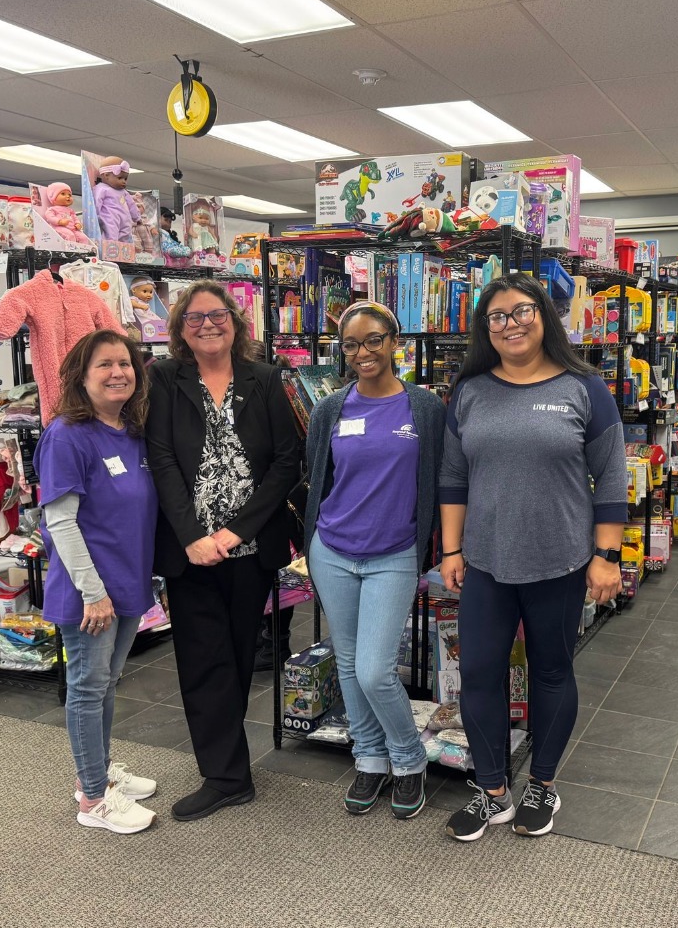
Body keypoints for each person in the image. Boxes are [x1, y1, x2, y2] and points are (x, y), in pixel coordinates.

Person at [439, 273, 627, 842]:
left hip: (561, 560)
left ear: (544, 315)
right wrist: (450, 548)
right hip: (486, 562)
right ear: (484, 329)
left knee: (550, 671)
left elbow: (613, 474)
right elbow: (452, 476)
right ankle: (492, 790)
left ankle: (542, 783)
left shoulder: (584, 386)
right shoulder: (469, 391)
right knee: (476, 674)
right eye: (496, 316)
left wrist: (607, 555)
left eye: (521, 311)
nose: (510, 324)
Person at [147, 280, 301, 821]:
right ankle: (225, 775)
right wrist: (193, 536)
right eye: (195, 318)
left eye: (218, 316)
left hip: (249, 546)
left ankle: (226, 763)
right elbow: (161, 458)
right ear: (180, 330)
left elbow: (287, 461)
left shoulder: (266, 380)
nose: (208, 325)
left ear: (236, 324)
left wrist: (234, 532)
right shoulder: (163, 379)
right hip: (189, 551)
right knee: (199, 658)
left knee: (237, 657)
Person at [304, 302, 445, 819]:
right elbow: (317, 475)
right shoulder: (329, 409)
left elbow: (443, 477)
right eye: (351, 345)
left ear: (395, 341)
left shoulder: (425, 408)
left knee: (373, 669)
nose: (363, 353)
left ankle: (409, 759)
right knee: (346, 662)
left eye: (373, 340)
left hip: (395, 553)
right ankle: (368, 758)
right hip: (333, 550)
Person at [35, 329, 159, 835]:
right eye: (104, 365)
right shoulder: (67, 434)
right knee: (88, 688)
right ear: (81, 377)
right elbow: (60, 522)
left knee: (107, 683)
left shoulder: (131, 430)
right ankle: (91, 798)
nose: (117, 373)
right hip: (92, 592)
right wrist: (93, 591)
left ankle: (101, 770)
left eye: (125, 364)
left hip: (127, 582)